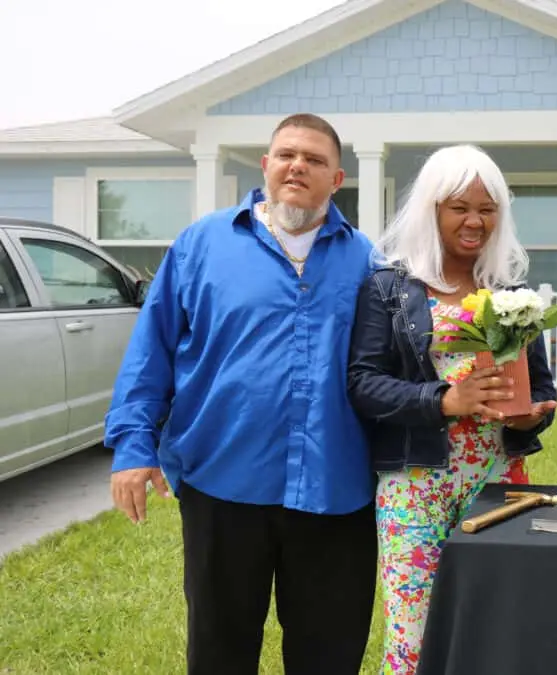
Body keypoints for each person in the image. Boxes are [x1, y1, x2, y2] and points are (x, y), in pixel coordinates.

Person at [105, 113, 379, 675]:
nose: (297, 166)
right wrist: (134, 446)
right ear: (266, 166)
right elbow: (150, 350)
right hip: (223, 484)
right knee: (219, 652)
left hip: (337, 490)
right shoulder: (201, 245)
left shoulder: (369, 261)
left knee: (330, 655)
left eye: (314, 159)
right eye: (286, 154)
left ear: (338, 179)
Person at [346, 144, 557, 675]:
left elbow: (542, 388)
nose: (475, 221)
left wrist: (532, 415)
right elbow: (363, 384)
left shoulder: (511, 293)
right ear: (431, 209)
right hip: (414, 485)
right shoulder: (389, 289)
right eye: (460, 207)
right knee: (413, 633)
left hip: (498, 480)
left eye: (487, 210)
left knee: (494, 625)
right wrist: (444, 400)